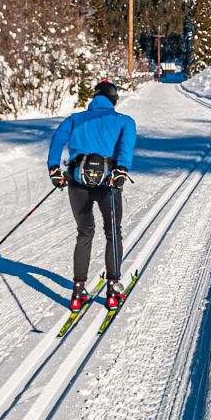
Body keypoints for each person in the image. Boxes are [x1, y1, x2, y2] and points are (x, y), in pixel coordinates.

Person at [47, 80, 136, 312]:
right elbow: (126, 147)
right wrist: (122, 170)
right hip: (108, 183)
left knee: (85, 233)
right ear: (114, 100)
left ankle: (77, 293)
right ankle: (113, 289)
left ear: (94, 98)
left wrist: (53, 169)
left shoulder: (74, 120)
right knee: (112, 232)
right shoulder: (124, 121)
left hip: (78, 183)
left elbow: (57, 140)